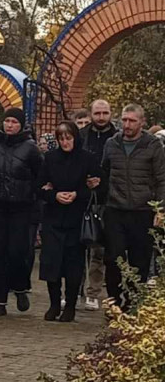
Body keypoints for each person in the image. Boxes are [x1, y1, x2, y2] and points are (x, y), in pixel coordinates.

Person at [101, 103, 165, 308]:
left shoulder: (153, 146)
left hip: (142, 210)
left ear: (142, 122)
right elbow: (104, 171)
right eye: (124, 120)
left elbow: (161, 179)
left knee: (140, 259)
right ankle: (114, 300)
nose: (127, 125)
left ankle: (134, 302)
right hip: (115, 208)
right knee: (113, 257)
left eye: (132, 121)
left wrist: (160, 208)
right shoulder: (112, 144)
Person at [0, 108, 43, 316]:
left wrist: (36, 201)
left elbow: (39, 177)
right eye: (7, 120)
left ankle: (19, 286)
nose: (9, 125)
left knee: (18, 252)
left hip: (21, 207)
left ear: (21, 125)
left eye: (14, 122)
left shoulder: (31, 149)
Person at [38, 120, 98, 322]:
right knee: (51, 262)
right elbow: (39, 187)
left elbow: (95, 187)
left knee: (73, 264)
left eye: (68, 138)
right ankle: (54, 303)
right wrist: (54, 195)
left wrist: (76, 194)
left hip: (76, 217)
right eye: (61, 138)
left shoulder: (87, 158)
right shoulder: (50, 158)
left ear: (75, 138)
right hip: (53, 217)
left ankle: (70, 305)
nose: (65, 142)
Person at [80, 99, 116, 310]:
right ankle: (75, 290)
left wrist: (103, 181)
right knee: (78, 246)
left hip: (107, 199)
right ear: (91, 114)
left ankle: (94, 292)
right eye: (97, 113)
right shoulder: (83, 136)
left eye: (105, 113)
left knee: (99, 249)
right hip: (83, 197)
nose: (101, 117)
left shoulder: (117, 138)